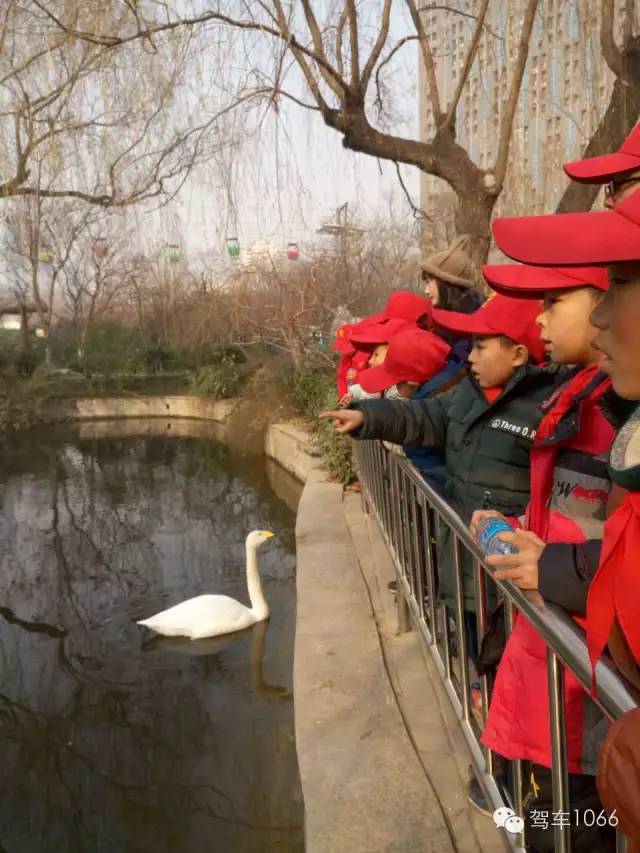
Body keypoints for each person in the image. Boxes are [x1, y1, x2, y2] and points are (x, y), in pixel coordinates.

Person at [472, 231, 637, 850]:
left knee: (570, 825)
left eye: (552, 302)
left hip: (583, 694)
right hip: (552, 675)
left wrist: (556, 565)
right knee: (547, 817)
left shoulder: (609, 409)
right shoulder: (585, 396)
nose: (539, 321)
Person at [320, 294, 557, 663]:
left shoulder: (548, 406)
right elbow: (425, 417)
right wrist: (368, 418)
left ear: (519, 355)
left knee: (512, 652)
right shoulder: (469, 393)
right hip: (463, 549)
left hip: (508, 566)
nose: (471, 357)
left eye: (481, 346)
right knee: (473, 639)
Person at [355, 327, 454, 488]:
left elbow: (419, 448)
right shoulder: (447, 384)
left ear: (413, 384)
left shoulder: (436, 406)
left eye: (397, 383)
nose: (393, 388)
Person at [420, 236, 484, 362]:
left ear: (446, 284)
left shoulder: (472, 325)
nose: (426, 291)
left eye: (429, 282)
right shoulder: (441, 317)